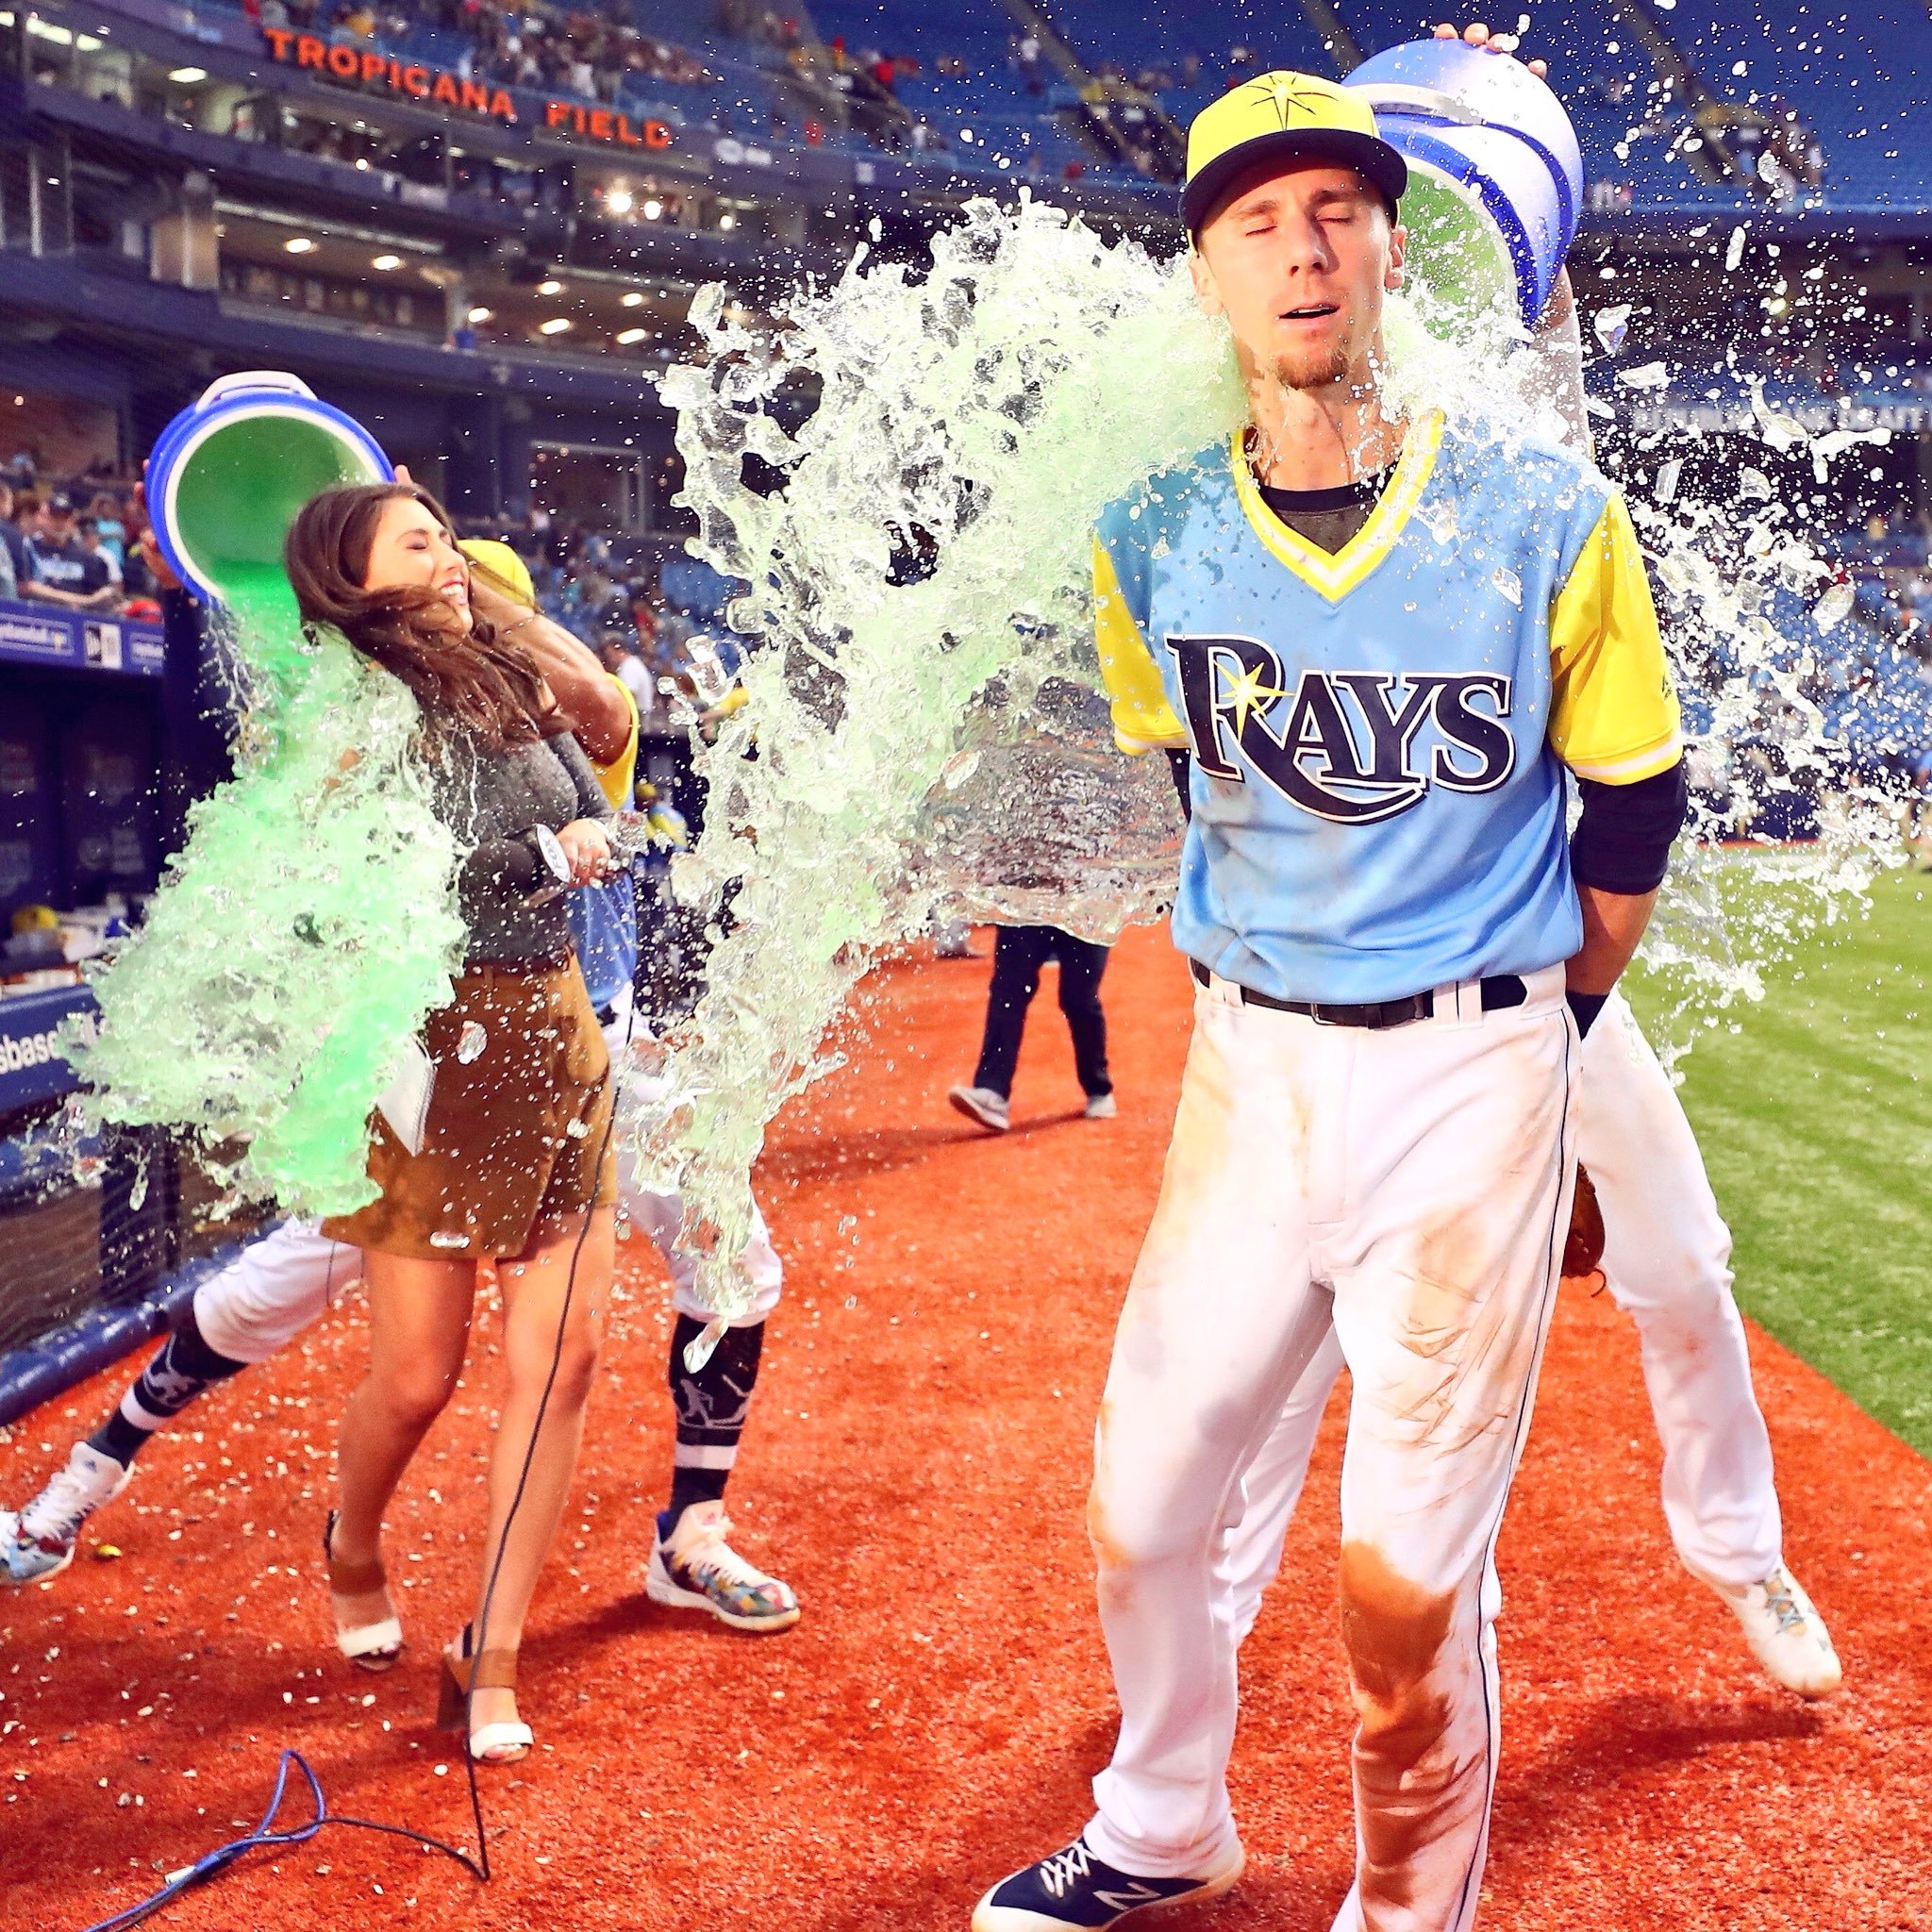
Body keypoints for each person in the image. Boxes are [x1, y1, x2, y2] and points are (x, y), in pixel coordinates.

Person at [975, 70, 1686, 1932]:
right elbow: (1187, 779)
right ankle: (1160, 1822)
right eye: (1255, 223)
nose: (1300, 250)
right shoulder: (1147, 531)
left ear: (1385, 248)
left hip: (1468, 1065)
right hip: (1249, 1068)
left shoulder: (1544, 511)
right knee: (1143, 1507)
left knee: (1400, 1583)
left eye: (1334, 214)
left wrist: (1544, 1036)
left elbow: (1631, 804)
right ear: (1206, 274)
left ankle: (1402, 1911)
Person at [2, 538, 801, 1649]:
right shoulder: (382, 741)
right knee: (268, 1295)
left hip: (595, 1063)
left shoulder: (555, 719)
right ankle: (85, 1479)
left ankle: (691, 1535)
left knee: (733, 1261)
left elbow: (602, 703)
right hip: (431, 1074)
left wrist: (470, 602)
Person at [289, 480, 620, 1765]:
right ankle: (353, 1536)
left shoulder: (507, 669)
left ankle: (492, 1650)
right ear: (351, 575)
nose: (447, 549)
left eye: (444, 531)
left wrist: (586, 834)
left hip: (557, 1032)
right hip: (426, 1051)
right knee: (421, 1375)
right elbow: (374, 880)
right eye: (416, 539)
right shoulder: (346, 703)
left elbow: (599, 792)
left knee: (566, 1359)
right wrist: (545, 856)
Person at [947, 925, 1115, 1132]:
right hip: (1027, 909)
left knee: (1079, 999)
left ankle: (1098, 1088)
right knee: (1008, 989)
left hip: (1087, 911)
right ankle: (992, 1090)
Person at [21, 491, 119, 610]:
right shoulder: (28, 548)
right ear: (44, 517)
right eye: (55, 516)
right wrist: (86, 600)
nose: (60, 523)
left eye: (65, 517)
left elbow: (101, 596)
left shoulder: (87, 557)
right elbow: (25, 587)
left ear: (72, 521)